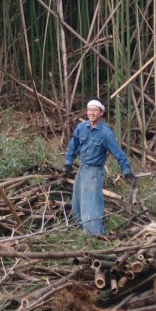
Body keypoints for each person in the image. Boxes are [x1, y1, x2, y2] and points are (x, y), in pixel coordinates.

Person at [64, 99, 134, 235]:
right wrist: (68, 163)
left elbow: (118, 153)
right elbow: (73, 145)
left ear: (101, 113)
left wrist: (127, 171)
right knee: (78, 200)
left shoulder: (105, 133)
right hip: (82, 169)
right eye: (89, 110)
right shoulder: (81, 127)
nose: (91, 113)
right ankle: (79, 229)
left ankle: (93, 233)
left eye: (95, 110)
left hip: (94, 172)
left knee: (91, 202)